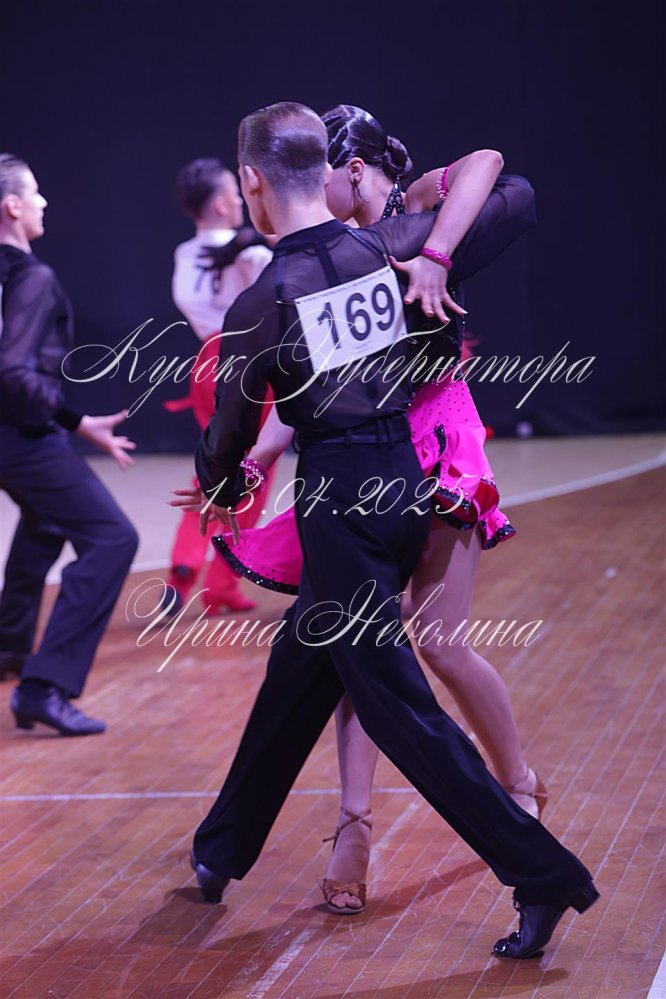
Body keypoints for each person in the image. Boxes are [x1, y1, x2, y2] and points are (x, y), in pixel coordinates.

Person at [174, 102, 598, 960]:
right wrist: (437, 248)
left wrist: (222, 483)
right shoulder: (391, 247)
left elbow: (226, 436)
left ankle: (542, 873)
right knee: (299, 667)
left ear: (253, 182)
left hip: (340, 508)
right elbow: (512, 194)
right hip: (406, 489)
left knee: (402, 713)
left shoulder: (265, 300)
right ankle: (221, 846)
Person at [0, 154, 138, 735]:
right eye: (34, 193)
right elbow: (12, 371)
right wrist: (75, 418)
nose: (43, 202)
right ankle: (45, 686)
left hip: (16, 432)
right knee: (113, 539)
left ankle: (9, 648)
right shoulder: (32, 277)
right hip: (22, 434)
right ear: (12, 206)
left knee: (47, 522)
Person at [166, 158, 273, 614]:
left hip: (206, 363)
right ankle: (222, 582)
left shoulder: (185, 254)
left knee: (213, 465)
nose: (241, 199)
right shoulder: (253, 256)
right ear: (223, 204)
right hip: (249, 363)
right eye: (234, 191)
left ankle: (184, 565)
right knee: (252, 473)